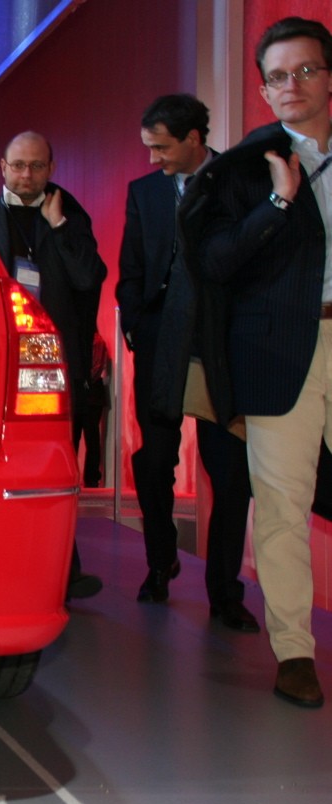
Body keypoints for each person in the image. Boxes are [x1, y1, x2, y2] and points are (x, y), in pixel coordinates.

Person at [188, 17, 332, 709]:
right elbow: (213, 261)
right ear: (262, 88)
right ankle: (294, 651)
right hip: (280, 354)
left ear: (328, 77)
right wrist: (277, 201)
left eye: (304, 70)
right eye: (277, 75)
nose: (290, 86)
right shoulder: (244, 167)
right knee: (280, 506)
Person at [115, 94, 258, 631]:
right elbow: (132, 265)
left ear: (194, 139)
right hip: (158, 342)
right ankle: (160, 562)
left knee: (231, 474)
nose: (153, 158)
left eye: (162, 147)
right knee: (154, 464)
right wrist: (134, 321)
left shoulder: (239, 183)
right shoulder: (144, 192)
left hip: (220, 347)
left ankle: (224, 594)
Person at [0, 131, 108, 600]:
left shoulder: (70, 215)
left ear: (51, 168)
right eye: (18, 166)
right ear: (2, 167)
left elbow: (90, 277)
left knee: (55, 464)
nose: (27, 175)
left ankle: (61, 570)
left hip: (52, 361)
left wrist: (60, 229)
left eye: (36, 166)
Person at [81, 330, 110, 488]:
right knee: (92, 437)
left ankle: (90, 477)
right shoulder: (98, 340)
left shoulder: (95, 341)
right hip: (93, 391)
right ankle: (91, 477)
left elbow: (94, 369)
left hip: (89, 391)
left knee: (87, 436)